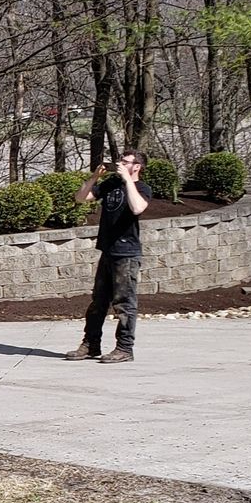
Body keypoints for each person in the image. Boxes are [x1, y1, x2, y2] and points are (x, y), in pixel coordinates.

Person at [65, 151, 150, 363]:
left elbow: (137, 207)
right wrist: (95, 177)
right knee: (98, 302)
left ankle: (124, 348)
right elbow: (80, 198)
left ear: (137, 166)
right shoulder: (111, 184)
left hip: (127, 254)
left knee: (124, 303)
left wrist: (128, 180)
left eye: (125, 162)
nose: (120, 164)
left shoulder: (142, 188)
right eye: (119, 160)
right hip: (107, 251)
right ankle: (91, 344)